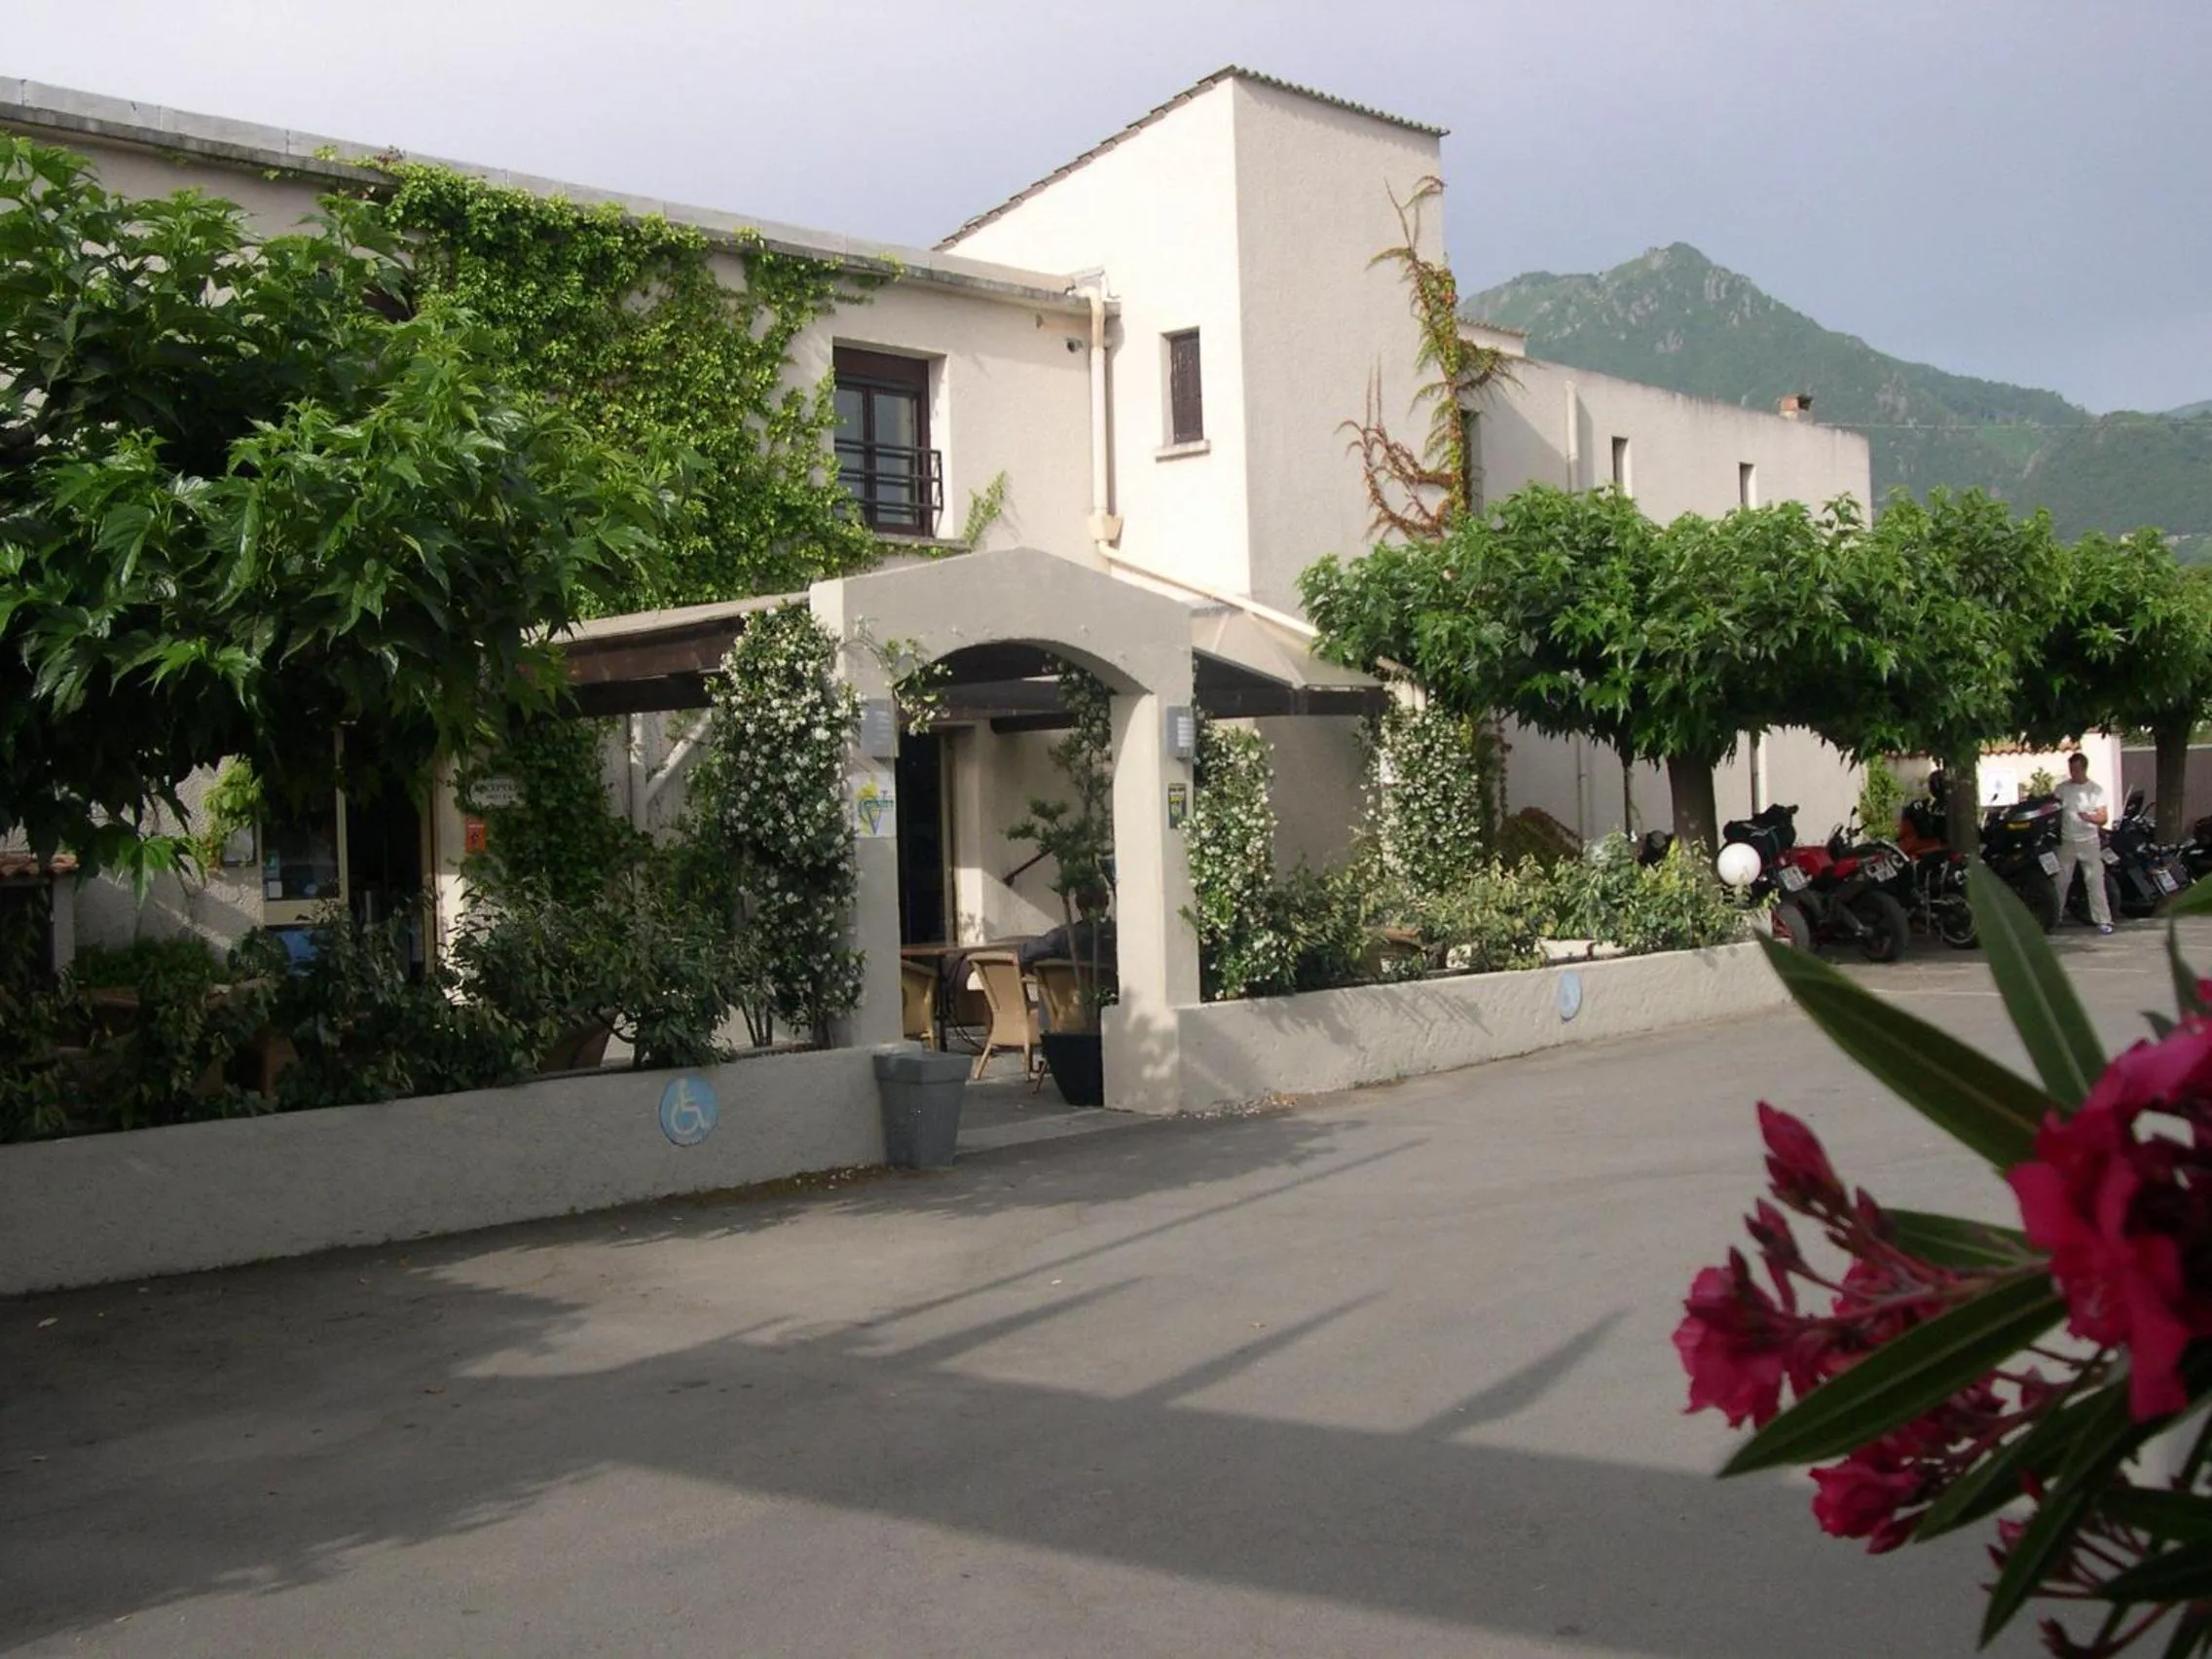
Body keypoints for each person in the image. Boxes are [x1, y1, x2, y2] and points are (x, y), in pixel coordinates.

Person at [2054, 751, 2114, 935]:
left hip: (2089, 842)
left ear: (2084, 769)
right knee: (2061, 881)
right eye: (2071, 769)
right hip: (2067, 841)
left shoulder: (2096, 790)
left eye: (2077, 770)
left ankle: (2103, 919)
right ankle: (2055, 917)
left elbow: (2103, 817)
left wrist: (2088, 817)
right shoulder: (2062, 789)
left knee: (2095, 880)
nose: (2073, 773)